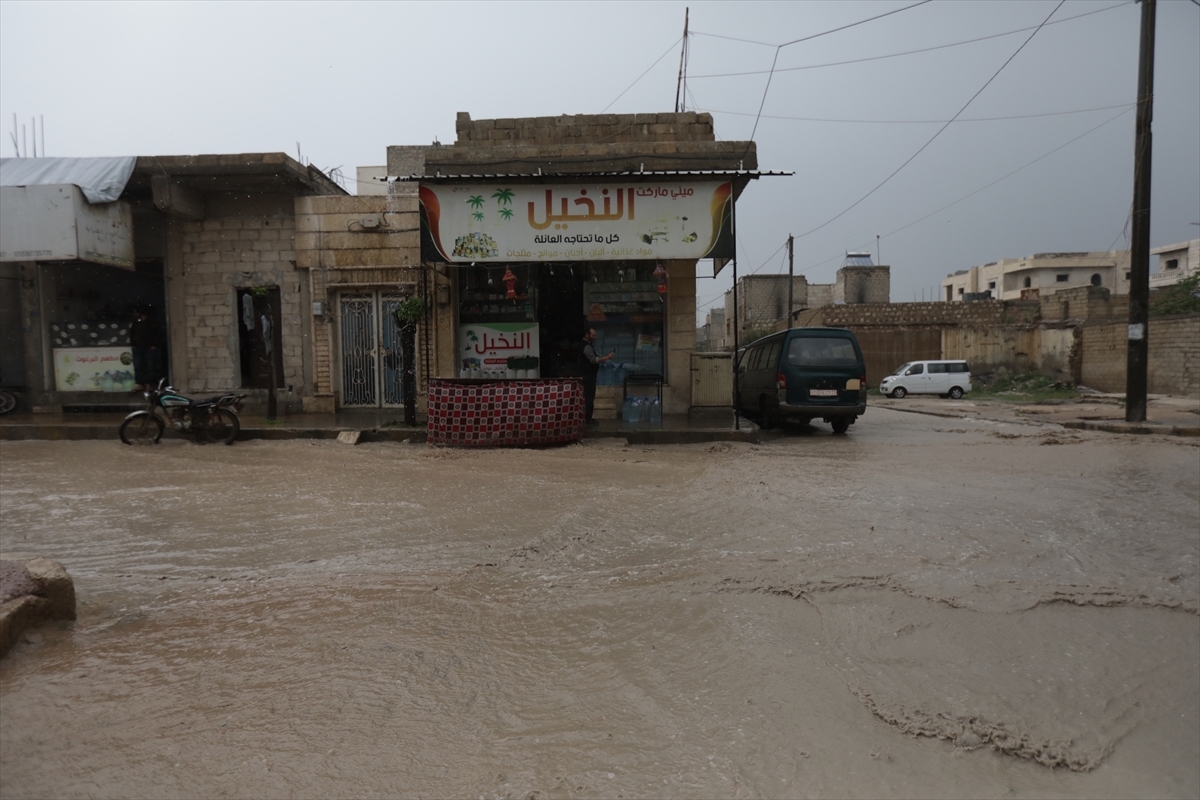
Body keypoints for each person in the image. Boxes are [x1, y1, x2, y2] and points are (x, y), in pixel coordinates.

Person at [580, 327, 614, 425]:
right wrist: (607, 357)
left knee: (588, 396)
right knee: (589, 396)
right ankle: (588, 418)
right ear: (587, 335)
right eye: (593, 335)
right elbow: (594, 360)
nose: (594, 337)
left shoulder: (587, 345)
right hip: (588, 375)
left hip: (588, 374)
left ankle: (587, 417)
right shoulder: (586, 346)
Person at [129, 307, 160, 390]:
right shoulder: (136, 323)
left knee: (150, 367)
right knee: (138, 366)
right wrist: (133, 344)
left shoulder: (151, 322)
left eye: (136, 313)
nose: (134, 315)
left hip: (148, 348)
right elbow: (132, 333)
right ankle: (140, 384)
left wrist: (154, 345)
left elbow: (157, 334)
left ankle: (149, 384)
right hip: (138, 348)